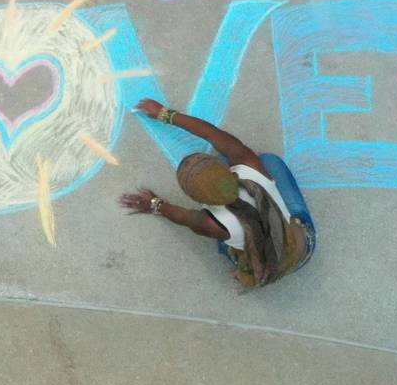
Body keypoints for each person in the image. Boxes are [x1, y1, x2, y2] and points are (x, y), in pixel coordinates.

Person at [116, 99, 316, 289]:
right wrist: (165, 114)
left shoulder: (211, 222)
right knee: (268, 160)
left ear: (199, 200)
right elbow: (211, 133)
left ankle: (248, 270)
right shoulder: (249, 166)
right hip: (301, 246)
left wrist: (153, 203)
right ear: (227, 173)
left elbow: (182, 217)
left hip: (266, 261)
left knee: (225, 242)